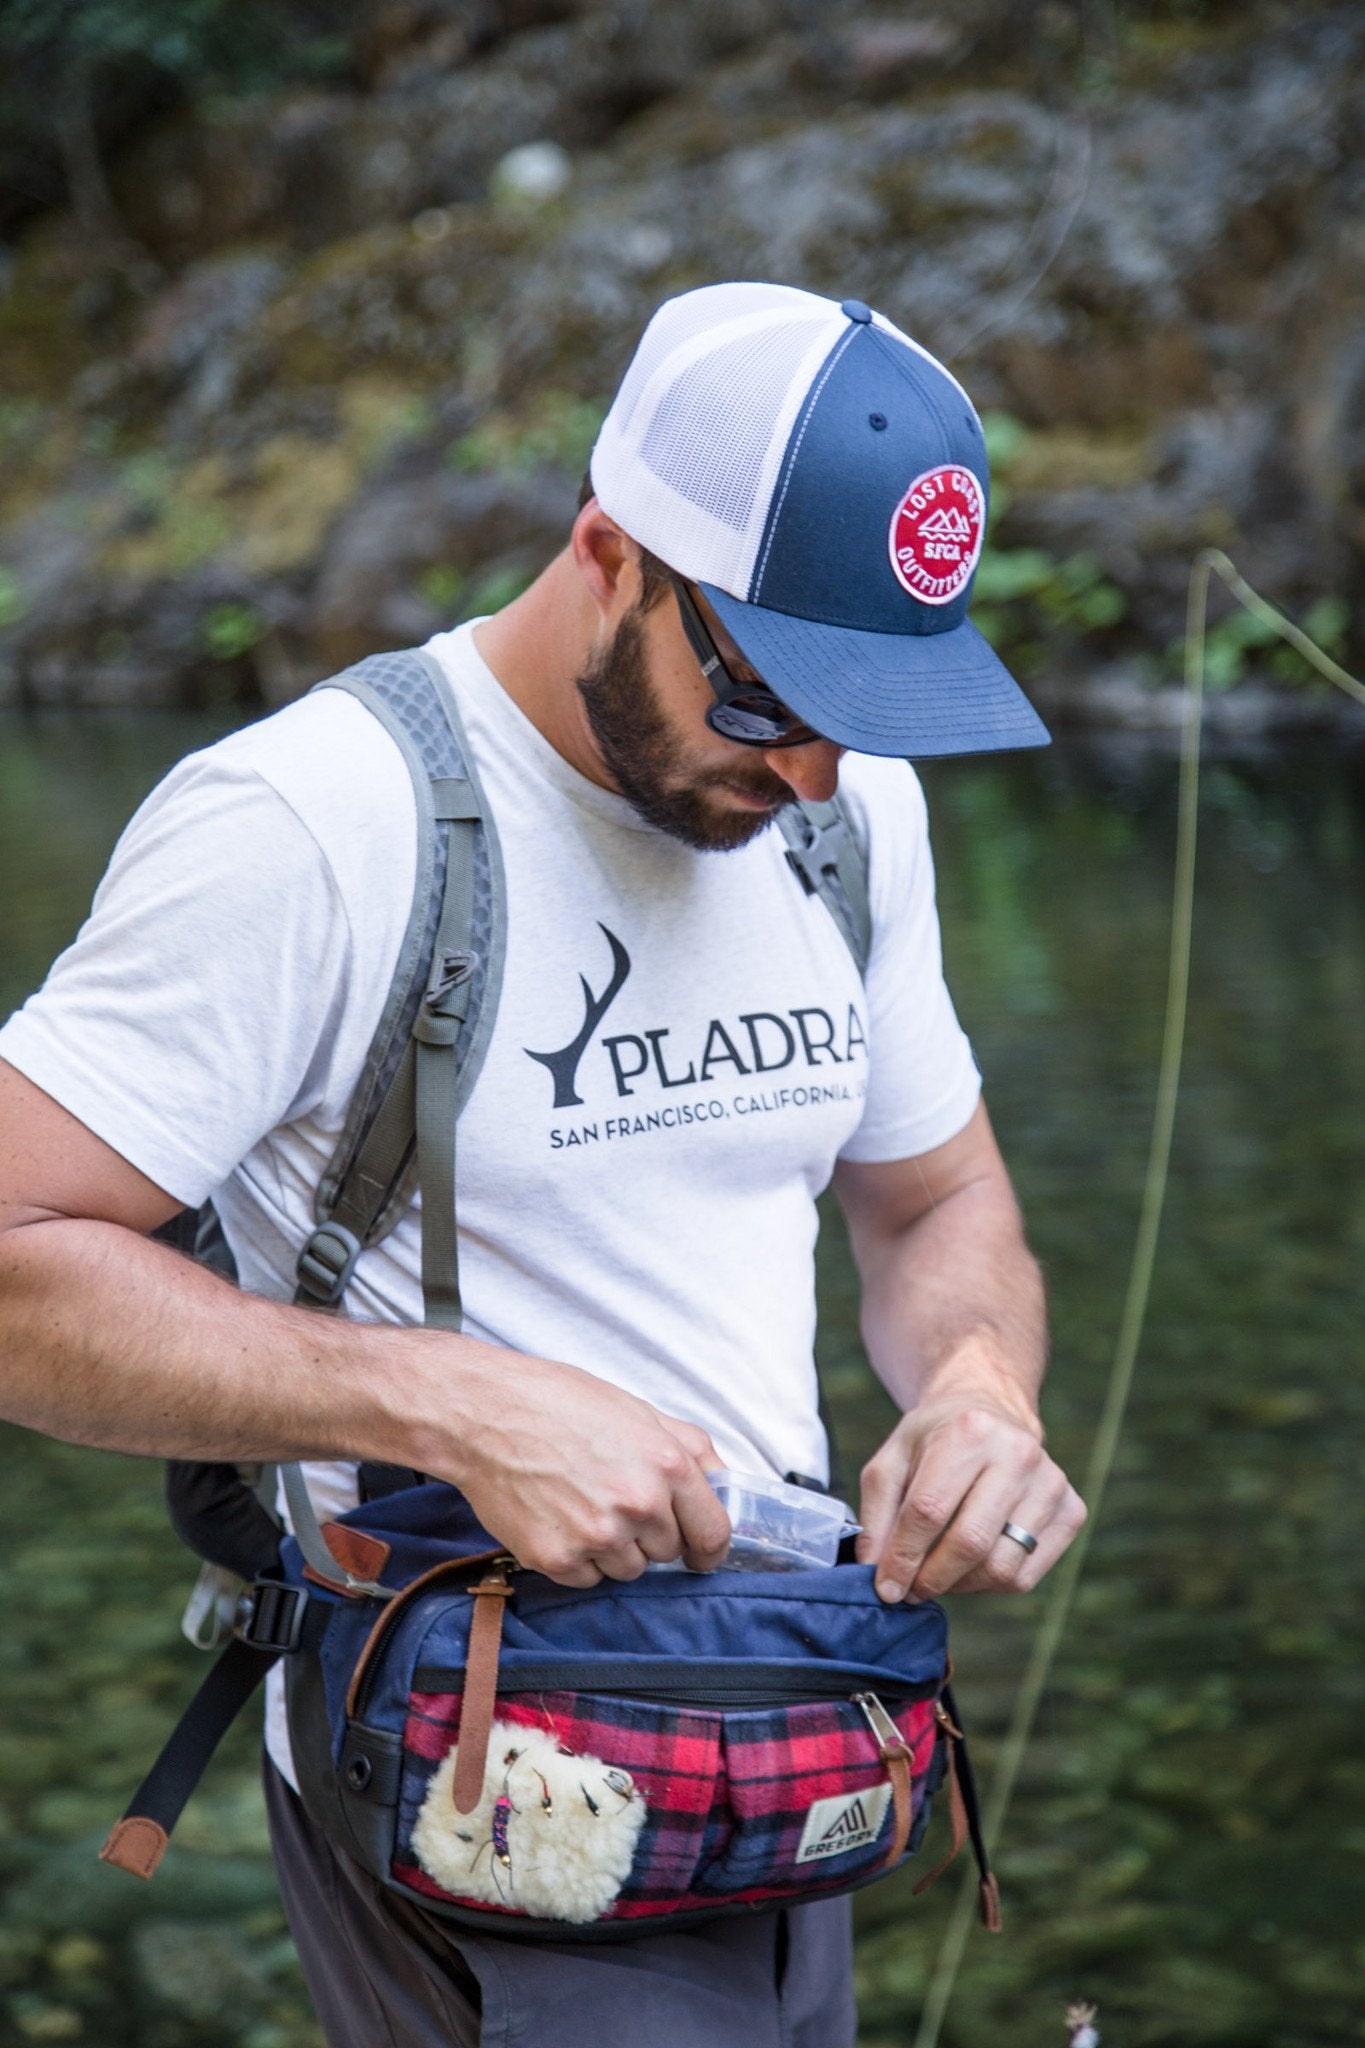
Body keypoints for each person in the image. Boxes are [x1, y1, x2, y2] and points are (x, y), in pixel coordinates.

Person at [0, 281, 1085, 2047]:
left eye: (858, 713)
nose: (812, 771)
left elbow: (935, 1202)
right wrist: (453, 1407)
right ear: (608, 552)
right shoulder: (311, 824)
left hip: (791, 1736)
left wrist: (976, 1387)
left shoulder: (842, 816)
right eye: (766, 699)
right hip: (490, 1781)